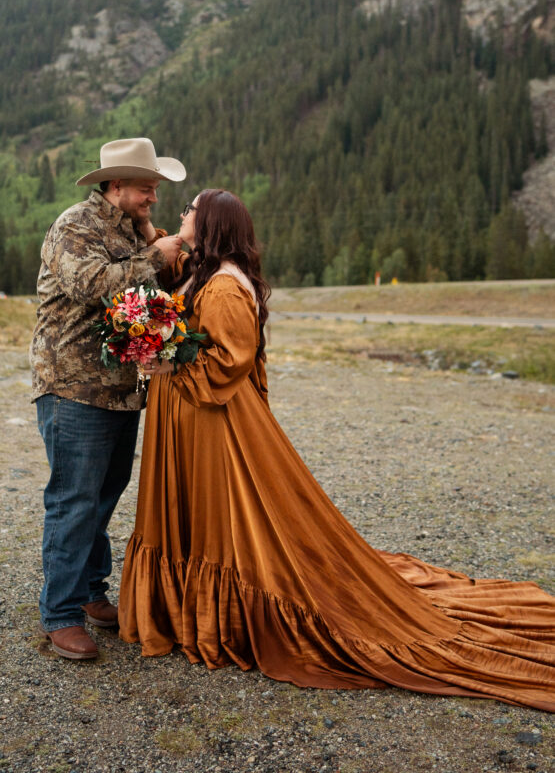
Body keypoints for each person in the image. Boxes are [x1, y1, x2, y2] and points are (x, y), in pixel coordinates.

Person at [119, 189, 555, 710]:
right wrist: (145, 239)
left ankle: (226, 617)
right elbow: (170, 266)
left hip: (214, 422)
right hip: (189, 416)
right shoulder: (203, 271)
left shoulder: (225, 288)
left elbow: (228, 362)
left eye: (190, 210)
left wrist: (167, 360)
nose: (181, 215)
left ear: (211, 223)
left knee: (225, 515)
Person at [30, 137, 185, 659]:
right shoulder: (76, 225)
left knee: (102, 496)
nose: (154, 198)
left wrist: (157, 243)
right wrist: (155, 254)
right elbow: (94, 284)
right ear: (116, 185)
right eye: (146, 189)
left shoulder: (134, 228)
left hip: (119, 391)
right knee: (74, 501)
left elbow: (152, 289)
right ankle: (60, 614)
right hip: (73, 387)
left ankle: (90, 592)